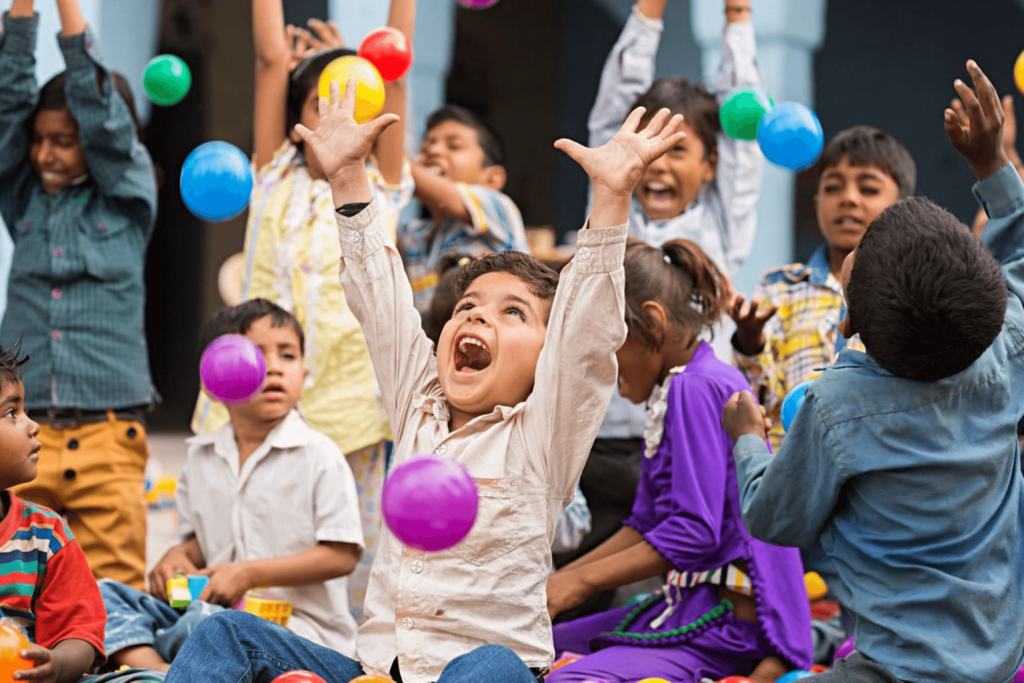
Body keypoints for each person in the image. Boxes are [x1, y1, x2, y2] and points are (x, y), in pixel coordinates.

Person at [161, 85, 688, 683]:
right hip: (376, 671)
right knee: (226, 632)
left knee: (491, 666)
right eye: (468, 305)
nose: (479, 315)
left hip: (485, 672)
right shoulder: (417, 401)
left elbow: (587, 333)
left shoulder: (545, 432)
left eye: (513, 312)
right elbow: (377, 293)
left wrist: (613, 195)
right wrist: (348, 179)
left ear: (548, 360)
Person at [722, 60, 1024, 683]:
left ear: (853, 320)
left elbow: (774, 517)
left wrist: (747, 438)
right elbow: (1020, 250)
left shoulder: (838, 403)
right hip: (999, 659)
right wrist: (992, 163)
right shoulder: (1005, 346)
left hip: (894, 670)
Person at [191, 0, 415, 621]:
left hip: (347, 407)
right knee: (247, 540)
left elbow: (397, 64)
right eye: (324, 101)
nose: (345, 113)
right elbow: (270, 57)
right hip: (248, 387)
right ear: (295, 126)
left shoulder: (381, 185)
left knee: (351, 561)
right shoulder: (270, 179)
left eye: (357, 100)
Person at [544, 237, 811, 683]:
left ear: (652, 320)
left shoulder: (695, 386)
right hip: (688, 609)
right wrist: (559, 583)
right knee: (533, 640)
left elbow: (694, 533)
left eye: (605, 348)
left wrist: (578, 584)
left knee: (565, 676)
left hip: (725, 626)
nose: (599, 368)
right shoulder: (673, 391)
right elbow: (645, 523)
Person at [103, 300, 364, 673]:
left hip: (295, 633)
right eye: (253, 354)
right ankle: (156, 669)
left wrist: (248, 573)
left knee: (213, 628)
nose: (273, 366)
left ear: (304, 374)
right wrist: (178, 557)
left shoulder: (319, 455)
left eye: (287, 355)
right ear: (212, 380)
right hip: (210, 616)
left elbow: (342, 554)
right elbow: (201, 545)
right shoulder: (200, 457)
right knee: (106, 595)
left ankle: (174, 669)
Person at [0, 0, 158, 590]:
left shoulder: (130, 198)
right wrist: (21, 10)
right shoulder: (24, 197)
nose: (46, 154)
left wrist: (68, 10)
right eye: (41, 140)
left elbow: (102, 114)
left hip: (110, 436)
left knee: (115, 591)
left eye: (65, 141)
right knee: (12, 585)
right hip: (20, 431)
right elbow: (9, 101)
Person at [730, 125, 915, 450]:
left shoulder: (913, 289)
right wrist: (750, 342)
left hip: (878, 470)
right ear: (816, 201)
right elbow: (761, 402)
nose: (848, 199)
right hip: (791, 467)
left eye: (869, 189)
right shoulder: (780, 287)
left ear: (902, 204)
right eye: (832, 188)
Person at [588, 0, 762, 279]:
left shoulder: (722, 224)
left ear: (709, 164)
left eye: (677, 149)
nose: (657, 164)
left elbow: (741, 113)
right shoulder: (612, 211)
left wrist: (737, 10)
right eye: (648, 146)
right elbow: (616, 101)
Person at [0, 343, 105, 682]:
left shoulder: (45, 535)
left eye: (24, 409)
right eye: (11, 413)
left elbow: (80, 633)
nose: (33, 425)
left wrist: (57, 666)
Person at [401, 104, 530, 316]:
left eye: (453, 146)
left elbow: (404, 172)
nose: (433, 151)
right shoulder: (414, 235)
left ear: (492, 178)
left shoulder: (498, 208)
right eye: (425, 149)